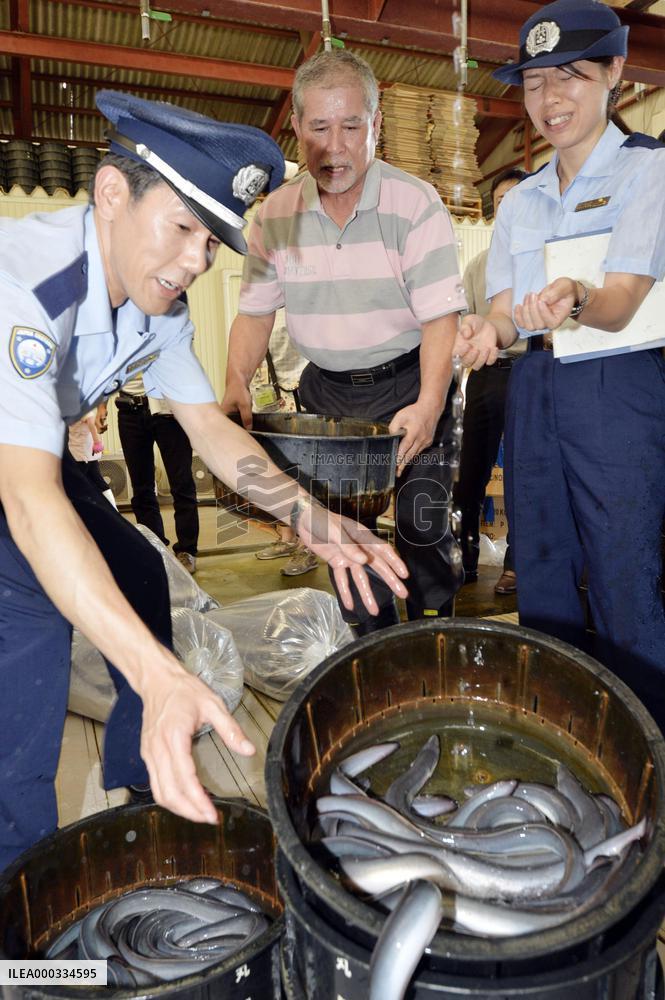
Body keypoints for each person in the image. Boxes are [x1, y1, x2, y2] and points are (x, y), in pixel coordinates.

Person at [0, 91, 408, 871]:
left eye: (211, 241)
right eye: (183, 227)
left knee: (142, 581)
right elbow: (26, 498)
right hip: (15, 473)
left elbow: (210, 428)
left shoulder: (159, 303)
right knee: (31, 640)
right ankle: (19, 910)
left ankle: (148, 786)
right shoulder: (25, 288)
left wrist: (316, 518)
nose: (196, 260)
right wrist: (160, 677)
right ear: (113, 195)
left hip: (36, 456)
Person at [455, 0, 665, 730]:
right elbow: (510, 313)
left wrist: (575, 294)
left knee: (623, 571)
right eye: (533, 81)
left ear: (613, 73)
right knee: (540, 562)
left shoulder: (649, 172)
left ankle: (648, 750)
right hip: (536, 386)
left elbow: (617, 305)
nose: (548, 100)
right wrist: (486, 328)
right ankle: (563, 737)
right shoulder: (524, 198)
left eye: (569, 76)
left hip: (618, 381)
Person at [222, 49, 466, 634]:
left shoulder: (415, 203)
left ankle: (432, 631)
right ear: (298, 130)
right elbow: (254, 316)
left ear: (375, 126)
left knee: (421, 522)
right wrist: (233, 383)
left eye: (352, 126)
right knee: (341, 530)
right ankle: (371, 643)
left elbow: (440, 319)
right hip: (328, 398)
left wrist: (431, 403)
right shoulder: (275, 215)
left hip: (411, 382)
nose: (336, 146)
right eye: (320, 127)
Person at [454, 168, 526, 595]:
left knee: (521, 475)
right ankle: (461, 558)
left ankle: (516, 565)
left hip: (526, 373)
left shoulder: (540, 258)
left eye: (515, 199)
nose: (507, 207)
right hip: (485, 375)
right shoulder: (479, 266)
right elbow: (465, 318)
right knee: (471, 471)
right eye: (500, 202)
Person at [116, 371, 199, 573]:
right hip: (129, 409)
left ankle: (187, 550)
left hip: (169, 411)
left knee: (181, 484)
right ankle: (155, 548)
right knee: (141, 487)